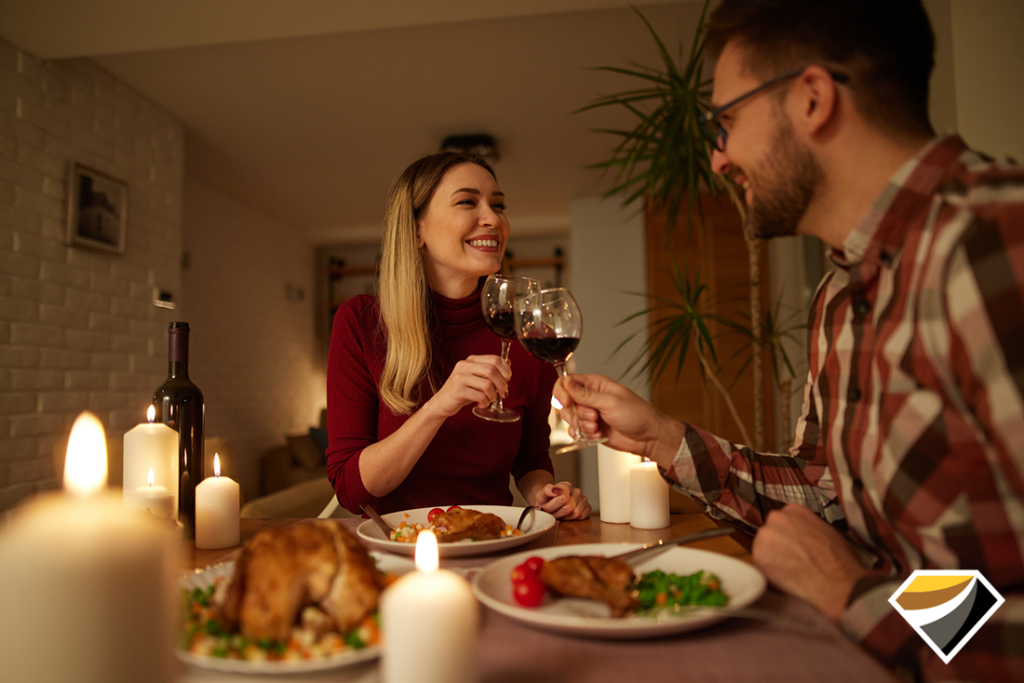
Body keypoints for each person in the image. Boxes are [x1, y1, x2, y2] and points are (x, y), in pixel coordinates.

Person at [555, 0, 1023, 680]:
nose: (717, 159)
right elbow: (829, 498)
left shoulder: (994, 244)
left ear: (811, 99)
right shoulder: (841, 290)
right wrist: (661, 438)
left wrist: (851, 592)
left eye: (726, 122)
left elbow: (986, 598)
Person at [326, 151, 590, 521]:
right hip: (399, 551)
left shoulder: (527, 337)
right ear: (417, 230)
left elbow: (530, 458)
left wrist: (546, 494)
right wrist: (440, 405)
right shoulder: (360, 322)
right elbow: (351, 491)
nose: (493, 219)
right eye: (468, 202)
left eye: (498, 205)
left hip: (494, 540)